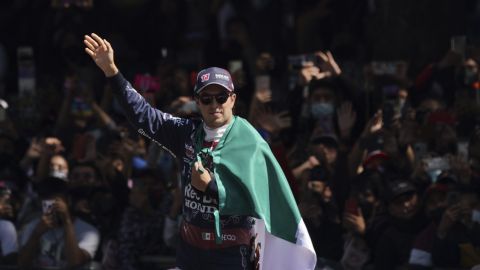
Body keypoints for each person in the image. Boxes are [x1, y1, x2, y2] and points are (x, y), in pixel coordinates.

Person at [84, 33, 316, 270]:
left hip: (232, 254)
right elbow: (143, 116)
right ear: (197, 101)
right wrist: (112, 71)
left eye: (221, 97)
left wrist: (211, 187)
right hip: (191, 251)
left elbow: (261, 200)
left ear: (233, 99)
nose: (214, 104)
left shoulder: (251, 141)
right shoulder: (186, 133)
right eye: (206, 98)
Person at [18, 177, 100, 269]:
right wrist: (36, 234)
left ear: (68, 201)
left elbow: (75, 262)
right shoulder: (33, 226)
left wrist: (67, 221)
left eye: (56, 204)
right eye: (48, 204)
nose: (53, 208)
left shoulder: (88, 231)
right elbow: (22, 264)